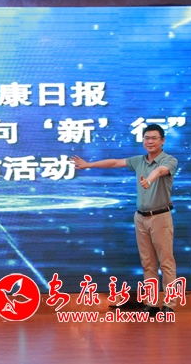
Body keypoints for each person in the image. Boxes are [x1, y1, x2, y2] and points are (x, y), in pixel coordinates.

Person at [70, 124, 177, 315]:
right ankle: (152, 303)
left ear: (162, 140)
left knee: (166, 262)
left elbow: (160, 171)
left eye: (154, 138)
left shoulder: (169, 160)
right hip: (141, 217)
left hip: (160, 216)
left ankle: (170, 304)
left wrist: (149, 180)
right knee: (148, 263)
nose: (150, 141)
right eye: (147, 138)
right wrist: (88, 165)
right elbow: (114, 163)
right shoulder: (138, 161)